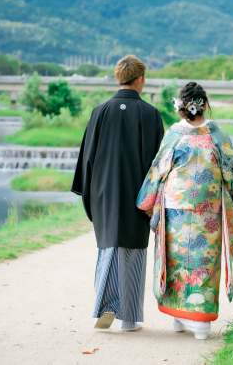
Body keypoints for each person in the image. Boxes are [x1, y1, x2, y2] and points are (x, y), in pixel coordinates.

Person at [136, 82, 233, 340]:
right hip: (209, 212)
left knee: (177, 260)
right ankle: (198, 322)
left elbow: (158, 169)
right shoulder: (218, 135)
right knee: (205, 262)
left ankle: (180, 314)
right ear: (205, 104)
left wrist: (148, 202)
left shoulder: (173, 134)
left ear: (182, 107)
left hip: (175, 212)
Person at [71, 55, 164, 332]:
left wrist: (88, 193)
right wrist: (154, 200)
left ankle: (105, 303)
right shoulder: (150, 114)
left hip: (103, 192)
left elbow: (87, 158)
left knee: (108, 247)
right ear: (141, 79)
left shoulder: (99, 111)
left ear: (118, 78)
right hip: (138, 193)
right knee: (134, 250)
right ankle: (130, 318)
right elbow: (156, 164)